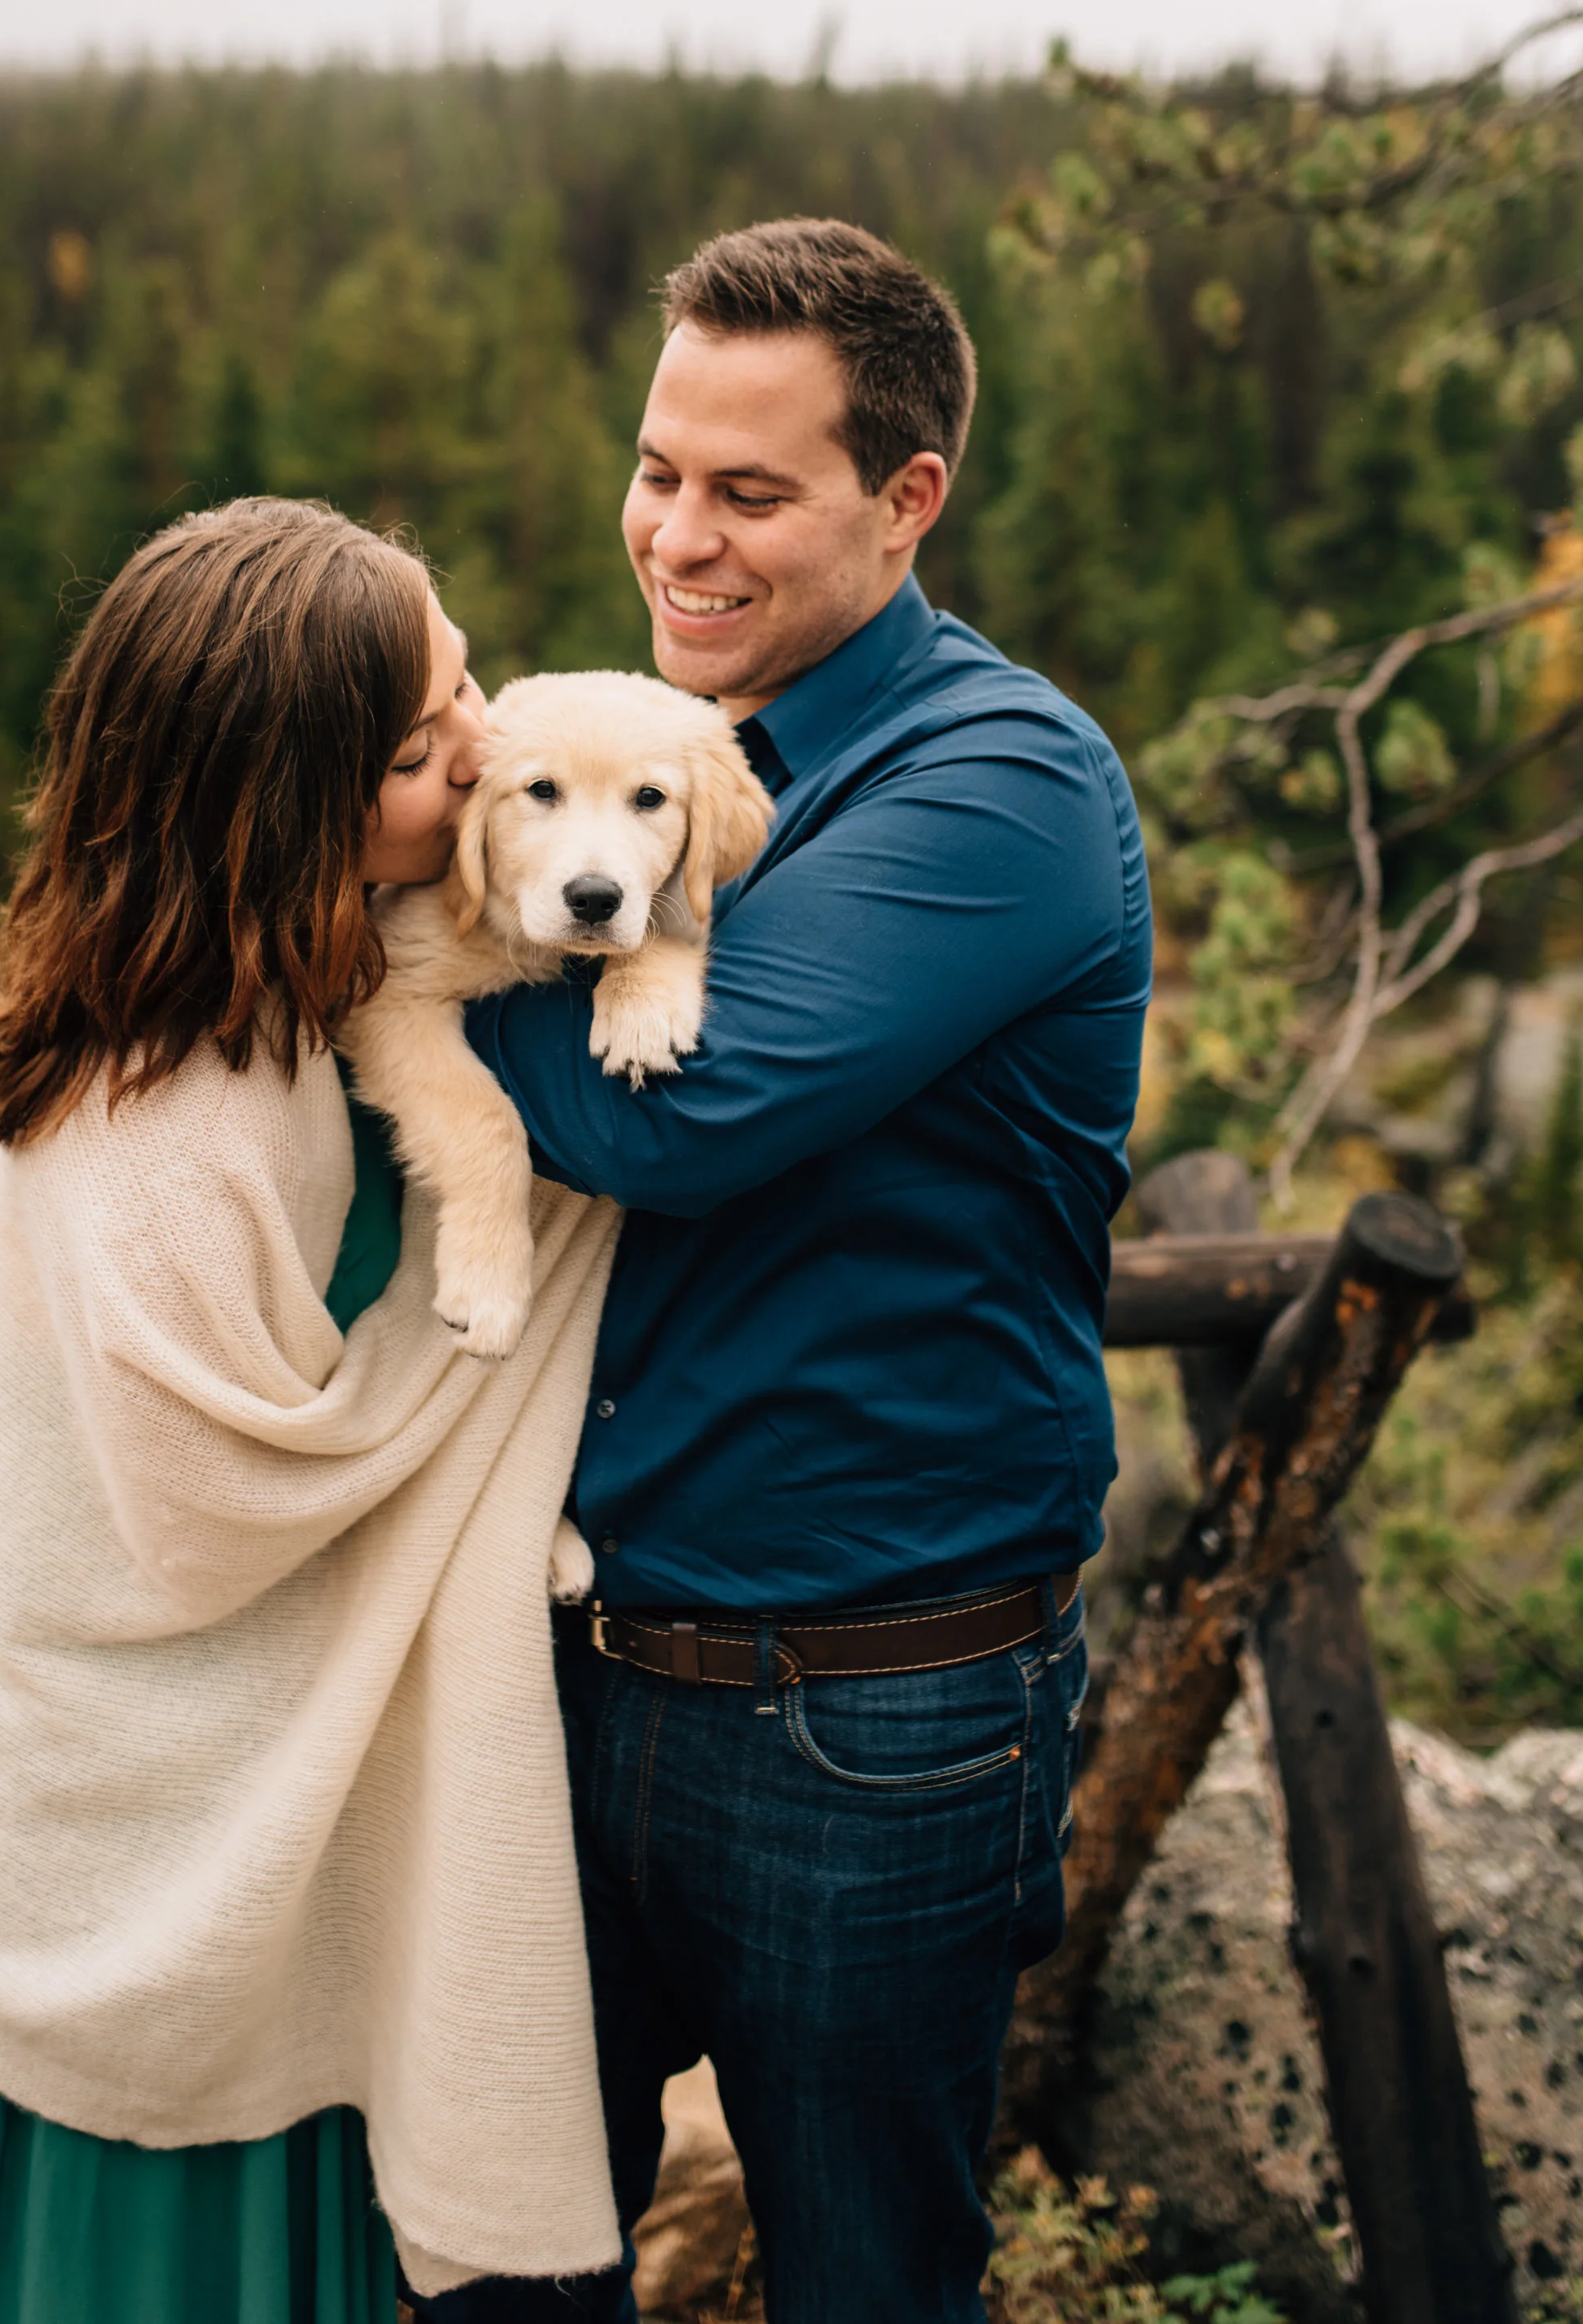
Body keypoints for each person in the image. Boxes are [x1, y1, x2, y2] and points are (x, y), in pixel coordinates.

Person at [415, 218, 1152, 2324]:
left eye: (750, 491)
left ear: (904, 498)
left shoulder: (999, 783)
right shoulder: (640, 747)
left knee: (860, 2283)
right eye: (659, 470)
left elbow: (671, 1115)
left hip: (868, 1704)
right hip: (571, 1662)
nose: (679, 536)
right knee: (499, 2262)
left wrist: (399, 950)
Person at [0, 496, 626, 2324]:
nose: (479, 745)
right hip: (114, 1845)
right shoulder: (173, 1109)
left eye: (464, 679)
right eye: (418, 748)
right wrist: (548, 1240)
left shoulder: (308, 988)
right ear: (285, 810)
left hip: (194, 1847)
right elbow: (214, 1506)